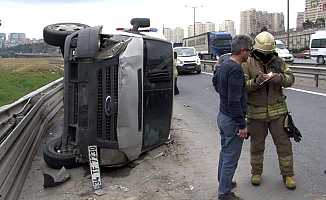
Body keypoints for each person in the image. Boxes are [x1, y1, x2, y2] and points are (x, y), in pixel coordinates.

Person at [242, 31, 296, 189]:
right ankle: (256, 172)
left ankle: (288, 175)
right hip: (256, 113)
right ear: (256, 50)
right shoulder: (247, 62)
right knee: (257, 146)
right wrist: (257, 81)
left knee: (284, 145)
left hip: (278, 112)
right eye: (262, 53)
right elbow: (243, 86)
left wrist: (279, 78)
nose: (266, 56)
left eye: (268, 53)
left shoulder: (278, 61)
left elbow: (290, 79)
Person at [213, 35, 253, 200]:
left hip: (222, 115)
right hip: (231, 119)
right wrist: (242, 125)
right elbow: (235, 100)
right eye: (249, 51)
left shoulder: (223, 64)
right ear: (243, 50)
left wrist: (224, 95)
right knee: (231, 156)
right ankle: (224, 193)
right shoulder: (236, 69)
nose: (249, 54)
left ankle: (224, 182)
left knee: (225, 152)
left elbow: (215, 82)